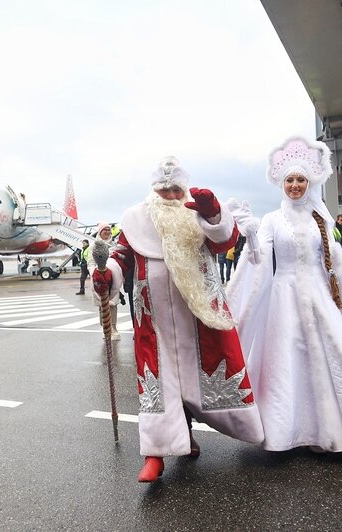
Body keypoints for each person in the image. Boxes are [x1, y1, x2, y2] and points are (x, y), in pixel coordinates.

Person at [92, 156, 263, 483]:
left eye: (175, 190)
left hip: (199, 316)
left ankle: (187, 436)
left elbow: (225, 241)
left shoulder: (195, 212)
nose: (170, 195)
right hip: (152, 321)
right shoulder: (136, 219)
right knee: (159, 382)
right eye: (164, 190)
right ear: (155, 190)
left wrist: (213, 212)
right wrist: (106, 275)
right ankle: (154, 454)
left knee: (196, 376)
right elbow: (121, 257)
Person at [226, 136, 342, 454]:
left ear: (309, 182)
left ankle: (332, 433)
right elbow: (257, 263)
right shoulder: (271, 220)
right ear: (281, 183)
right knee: (286, 362)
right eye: (290, 180)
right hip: (283, 299)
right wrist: (251, 237)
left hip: (319, 298)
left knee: (329, 360)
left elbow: (336, 265)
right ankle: (284, 431)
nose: (295, 185)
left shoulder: (321, 219)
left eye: (301, 179)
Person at [96, 223, 121, 340]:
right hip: (100, 278)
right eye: (104, 230)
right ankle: (105, 328)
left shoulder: (115, 245)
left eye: (108, 230)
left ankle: (114, 326)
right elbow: (91, 263)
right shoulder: (94, 245)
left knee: (113, 304)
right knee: (103, 304)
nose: (107, 232)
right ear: (100, 232)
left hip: (114, 278)